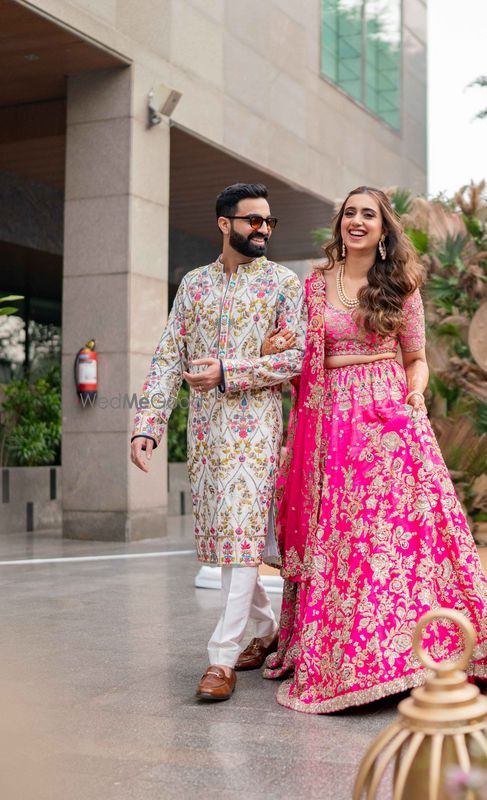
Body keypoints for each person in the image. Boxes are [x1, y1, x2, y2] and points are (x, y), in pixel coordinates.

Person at [261, 186, 487, 713]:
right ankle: (355, 658)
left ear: (383, 228)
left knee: (409, 536)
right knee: (347, 538)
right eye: (349, 213)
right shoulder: (313, 287)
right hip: (332, 423)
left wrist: (414, 392)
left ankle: (418, 656)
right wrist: (280, 348)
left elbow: (416, 358)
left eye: (367, 215)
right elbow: (300, 352)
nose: (356, 221)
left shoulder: (400, 285)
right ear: (340, 225)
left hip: (390, 419)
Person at [130, 183, 305, 702]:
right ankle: (267, 630)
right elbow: (167, 356)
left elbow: (295, 360)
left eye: (269, 222)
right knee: (230, 543)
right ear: (225, 224)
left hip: (256, 432)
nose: (264, 230)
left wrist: (232, 370)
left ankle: (221, 658)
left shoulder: (282, 285)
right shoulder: (193, 286)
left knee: (241, 539)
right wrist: (147, 423)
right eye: (253, 221)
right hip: (205, 435)